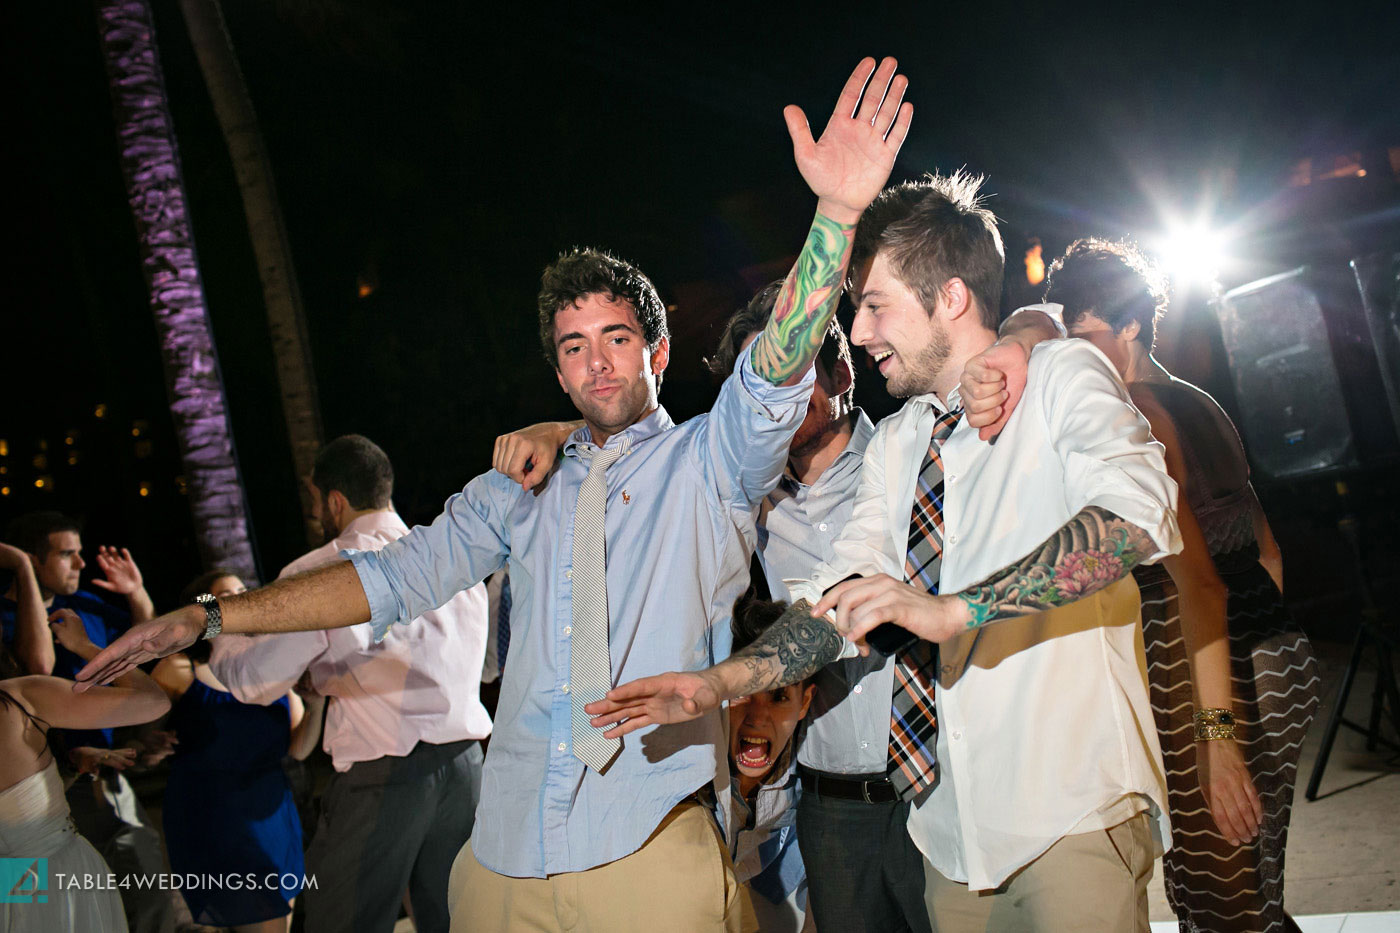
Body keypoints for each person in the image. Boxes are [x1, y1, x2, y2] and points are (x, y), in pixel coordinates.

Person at [76, 57, 915, 933]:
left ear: (656, 353)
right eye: (574, 344)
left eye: (617, 337)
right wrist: (210, 617)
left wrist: (837, 213)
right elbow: (386, 578)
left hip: (646, 845)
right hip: (503, 856)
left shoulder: (712, 463)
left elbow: (775, 365)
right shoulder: (514, 489)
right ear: (556, 370)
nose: (596, 360)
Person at [587, 174, 1184, 932]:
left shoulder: (1062, 375)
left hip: (1068, 812)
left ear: (952, 297)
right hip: (948, 836)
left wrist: (953, 609)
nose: (860, 333)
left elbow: (1137, 519)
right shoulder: (900, 441)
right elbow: (839, 603)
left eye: (874, 306)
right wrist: (715, 684)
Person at [1039, 238, 1321, 933]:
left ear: (1129, 325)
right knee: (1256, 887)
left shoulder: (1138, 415)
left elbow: (1199, 590)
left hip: (1207, 674)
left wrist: (1218, 735)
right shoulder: (1203, 403)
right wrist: (1267, 655)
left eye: (1086, 336)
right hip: (1278, 654)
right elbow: (1268, 550)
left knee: (1221, 899)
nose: (1077, 358)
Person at [208, 435, 490, 933]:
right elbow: (478, 663)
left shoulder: (323, 570)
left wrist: (220, 631)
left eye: (316, 502)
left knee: (335, 922)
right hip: (467, 769)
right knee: (456, 921)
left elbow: (257, 683)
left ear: (334, 500)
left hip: (385, 777)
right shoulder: (452, 558)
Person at [1, 513, 174, 933]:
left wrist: (137, 597)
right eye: (66, 554)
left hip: (79, 785)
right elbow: (150, 697)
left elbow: (145, 646)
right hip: (54, 822)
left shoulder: (85, 608)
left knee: (147, 891)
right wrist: (89, 648)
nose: (80, 564)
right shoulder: (22, 685)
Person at [152, 570, 321, 933]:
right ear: (203, 610)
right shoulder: (180, 670)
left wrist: (319, 707)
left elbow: (300, 750)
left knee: (279, 922)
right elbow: (143, 734)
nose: (243, 599)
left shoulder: (275, 668)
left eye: (245, 591)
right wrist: (149, 745)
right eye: (229, 595)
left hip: (272, 813)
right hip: (214, 818)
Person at [1, 634, 170, 932]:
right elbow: (152, 701)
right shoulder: (22, 698)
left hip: (12, 880)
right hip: (55, 874)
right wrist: (85, 645)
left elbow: (15, 815)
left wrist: (70, 767)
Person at [724, 592, 816, 933]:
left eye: (779, 697)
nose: (758, 718)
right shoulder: (695, 780)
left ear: (805, 703)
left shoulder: (804, 790)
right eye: (743, 692)